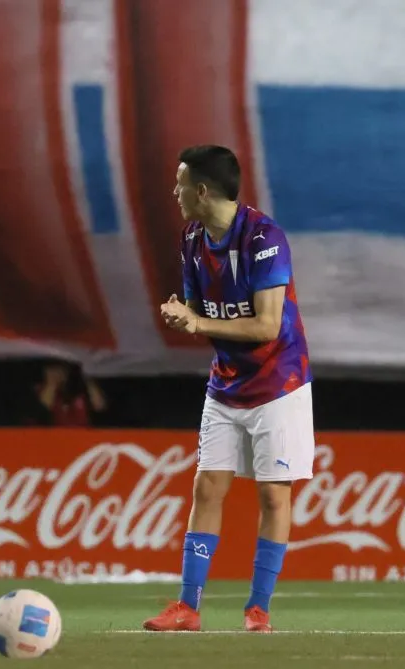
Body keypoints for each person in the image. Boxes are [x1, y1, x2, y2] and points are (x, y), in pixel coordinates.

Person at [143, 145, 314, 633]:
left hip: (280, 382)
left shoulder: (265, 239)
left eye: (180, 183)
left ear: (201, 190)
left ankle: (257, 610)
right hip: (226, 383)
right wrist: (184, 316)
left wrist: (194, 322)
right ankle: (187, 608)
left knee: (273, 497)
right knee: (207, 486)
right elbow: (201, 313)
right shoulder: (193, 239)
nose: (174, 192)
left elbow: (265, 326)